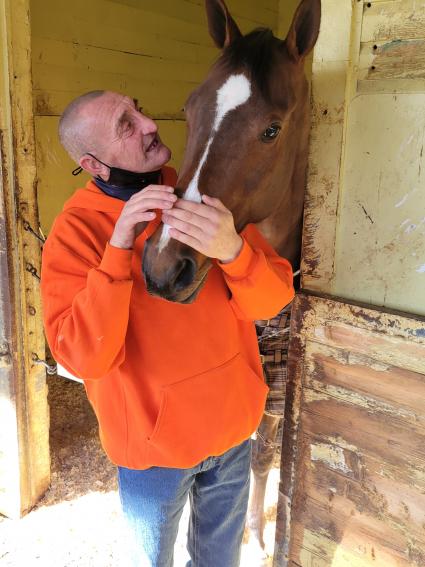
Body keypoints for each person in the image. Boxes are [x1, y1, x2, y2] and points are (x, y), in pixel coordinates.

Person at [41, 90, 295, 567]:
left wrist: (233, 251)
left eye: (139, 106)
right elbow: (82, 357)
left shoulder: (202, 194)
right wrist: (118, 249)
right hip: (154, 451)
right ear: (96, 165)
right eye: (126, 125)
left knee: (219, 561)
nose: (149, 122)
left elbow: (274, 299)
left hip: (233, 432)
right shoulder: (75, 232)